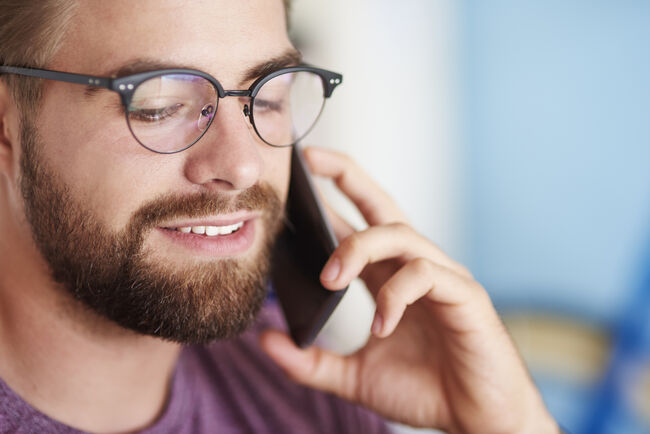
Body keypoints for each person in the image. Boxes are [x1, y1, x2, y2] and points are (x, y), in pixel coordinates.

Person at [0, 1, 561, 433]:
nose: (243, 166)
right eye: (160, 103)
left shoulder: (304, 393)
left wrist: (507, 422)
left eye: (268, 95)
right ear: (6, 125)